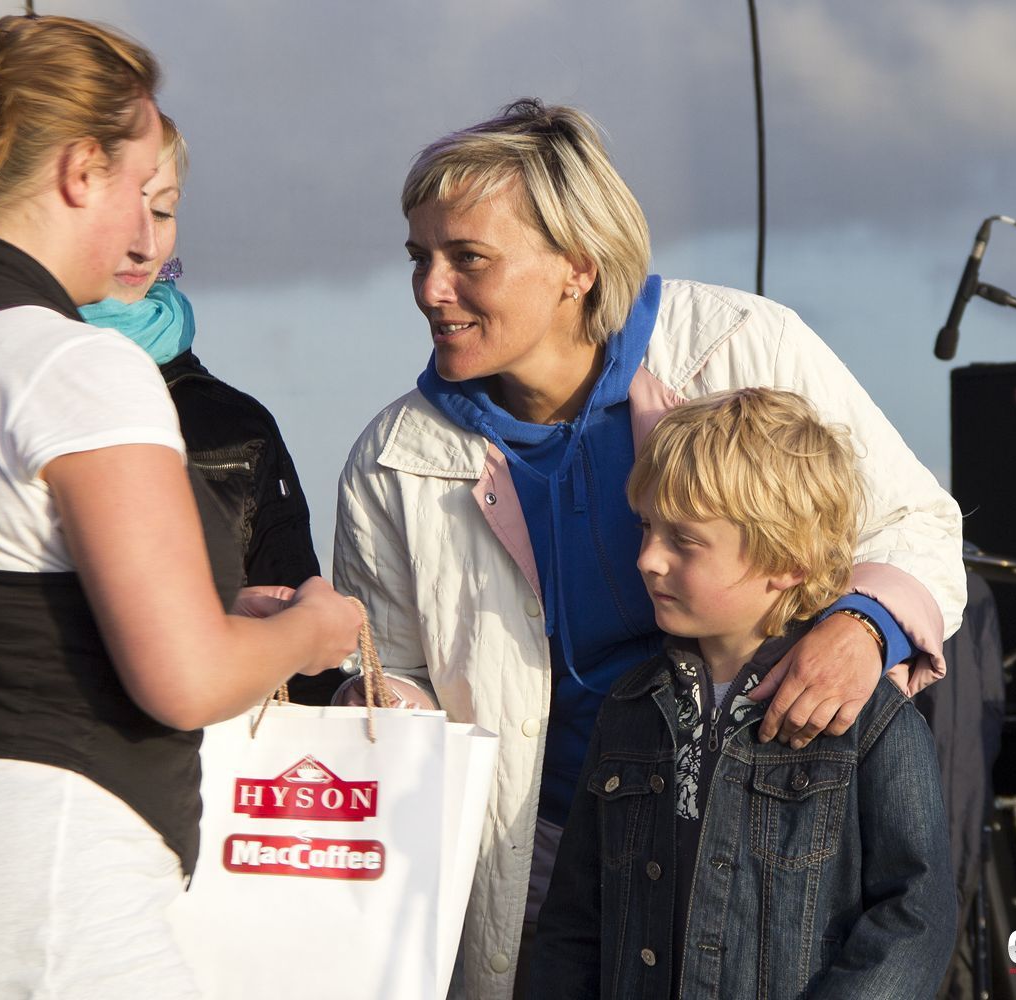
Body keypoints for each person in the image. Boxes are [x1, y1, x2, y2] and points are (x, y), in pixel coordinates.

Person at [0, 12, 358, 998]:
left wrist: (212, 610)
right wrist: (312, 630)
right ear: (82, 170)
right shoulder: (75, 363)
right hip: (33, 890)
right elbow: (186, 680)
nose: (146, 232)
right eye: (140, 188)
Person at [332, 98, 964, 997]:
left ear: (578, 267)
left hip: (767, 864)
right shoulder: (390, 458)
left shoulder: (746, 346)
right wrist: (370, 694)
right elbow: (396, 676)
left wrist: (860, 628)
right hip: (548, 872)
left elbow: (917, 522)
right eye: (418, 258)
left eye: (468, 257)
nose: (431, 288)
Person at [530, 388, 956, 998]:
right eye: (647, 527)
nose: (648, 558)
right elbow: (575, 921)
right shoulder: (628, 710)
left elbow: (915, 917)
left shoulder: (870, 719)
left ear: (787, 560)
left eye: (683, 540)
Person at [78, 116, 342, 703]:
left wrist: (327, 667)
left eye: (162, 211)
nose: (144, 243)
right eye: (120, 206)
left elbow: (302, 665)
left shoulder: (237, 426)